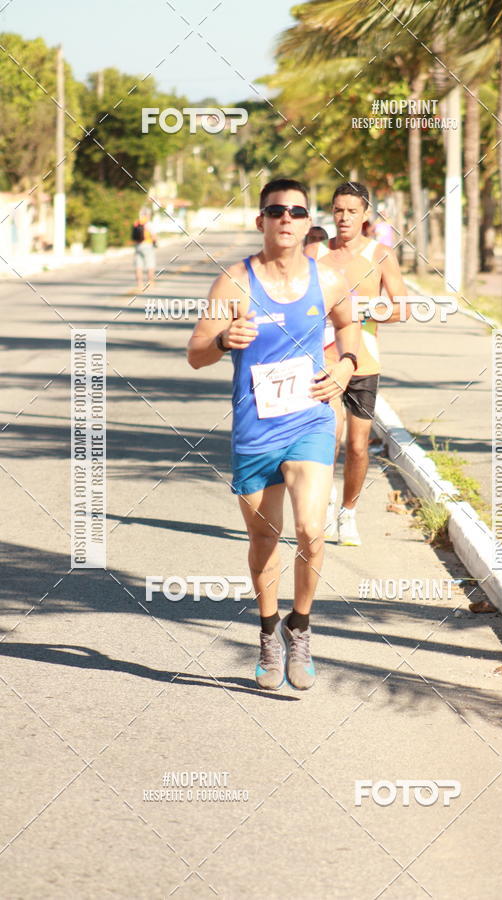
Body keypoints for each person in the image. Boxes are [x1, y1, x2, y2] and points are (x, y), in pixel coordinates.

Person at [187, 178, 359, 692]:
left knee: (311, 530)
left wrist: (346, 367)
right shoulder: (234, 283)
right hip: (255, 427)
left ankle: (299, 627)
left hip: (310, 419)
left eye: (297, 212)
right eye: (276, 210)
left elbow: (348, 329)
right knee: (264, 537)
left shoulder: (327, 279)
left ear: (308, 223)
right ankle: (268, 632)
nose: (286, 218)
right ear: (260, 220)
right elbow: (195, 354)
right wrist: (223, 339)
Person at [306, 181, 408, 546]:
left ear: (365, 214)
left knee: (359, 446)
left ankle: (348, 512)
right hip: (324, 359)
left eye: (352, 211)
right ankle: (324, 503)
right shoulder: (315, 252)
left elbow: (401, 308)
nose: (344, 217)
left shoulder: (380, 254)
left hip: (364, 361)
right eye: (338, 210)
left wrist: (362, 311)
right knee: (327, 438)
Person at [132, 213, 157, 290]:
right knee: (150, 265)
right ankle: (150, 283)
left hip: (138, 245)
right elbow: (154, 236)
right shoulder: (149, 224)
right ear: (147, 216)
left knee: (138, 266)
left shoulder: (136, 223)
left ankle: (139, 284)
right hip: (147, 245)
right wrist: (155, 243)